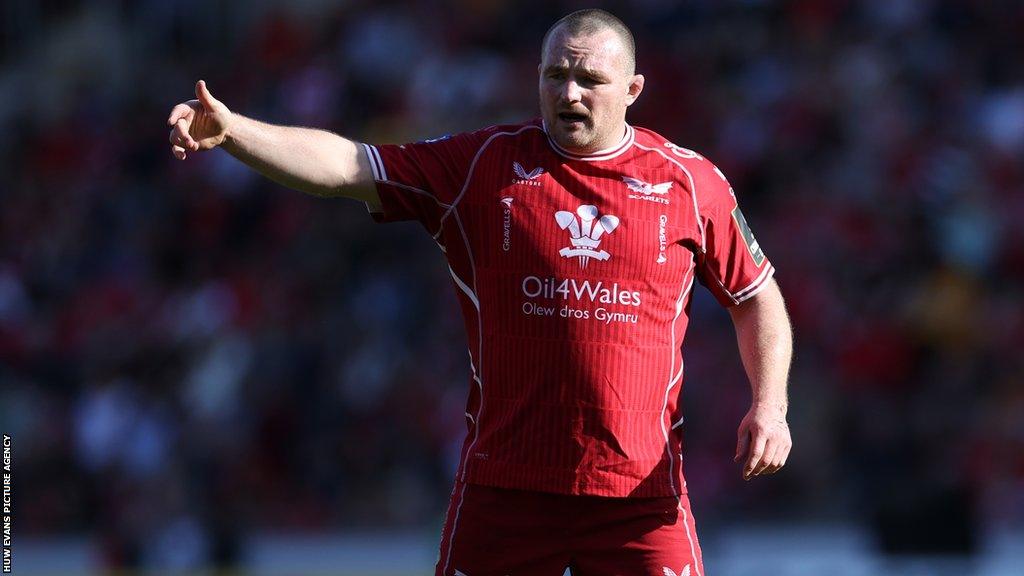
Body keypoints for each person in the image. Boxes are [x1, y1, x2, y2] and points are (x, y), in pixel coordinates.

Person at [167, 8, 792, 576]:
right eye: (554, 75)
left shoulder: (690, 183)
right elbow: (351, 168)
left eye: (589, 81)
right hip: (506, 488)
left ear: (632, 90)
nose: (568, 93)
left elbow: (756, 297)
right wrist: (236, 133)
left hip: (637, 495)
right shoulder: (483, 166)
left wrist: (770, 405)